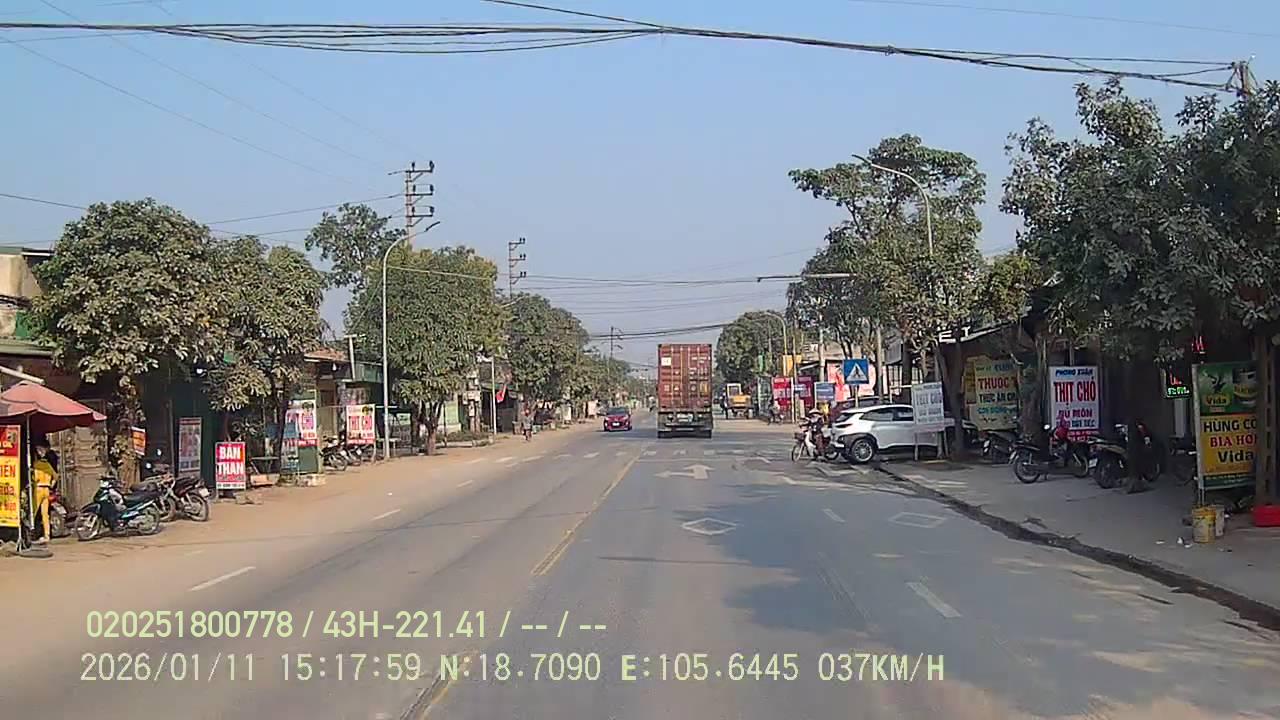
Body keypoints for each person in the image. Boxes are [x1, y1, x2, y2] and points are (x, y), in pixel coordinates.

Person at [31, 438, 58, 543]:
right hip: (46, 490)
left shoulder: (36, 465)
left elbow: (33, 478)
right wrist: (51, 485)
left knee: (33, 512)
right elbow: (56, 477)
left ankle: (30, 533)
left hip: (38, 489)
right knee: (45, 514)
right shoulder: (47, 465)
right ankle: (47, 535)